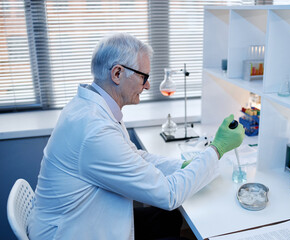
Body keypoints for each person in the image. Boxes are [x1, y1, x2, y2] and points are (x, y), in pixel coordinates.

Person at [28, 32, 244, 240]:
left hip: (89, 217)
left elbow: (135, 156)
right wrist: (217, 148)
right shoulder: (94, 129)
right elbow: (169, 195)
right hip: (73, 232)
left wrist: (182, 166)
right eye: (144, 77)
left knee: (167, 218)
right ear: (117, 73)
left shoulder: (96, 107)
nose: (148, 85)